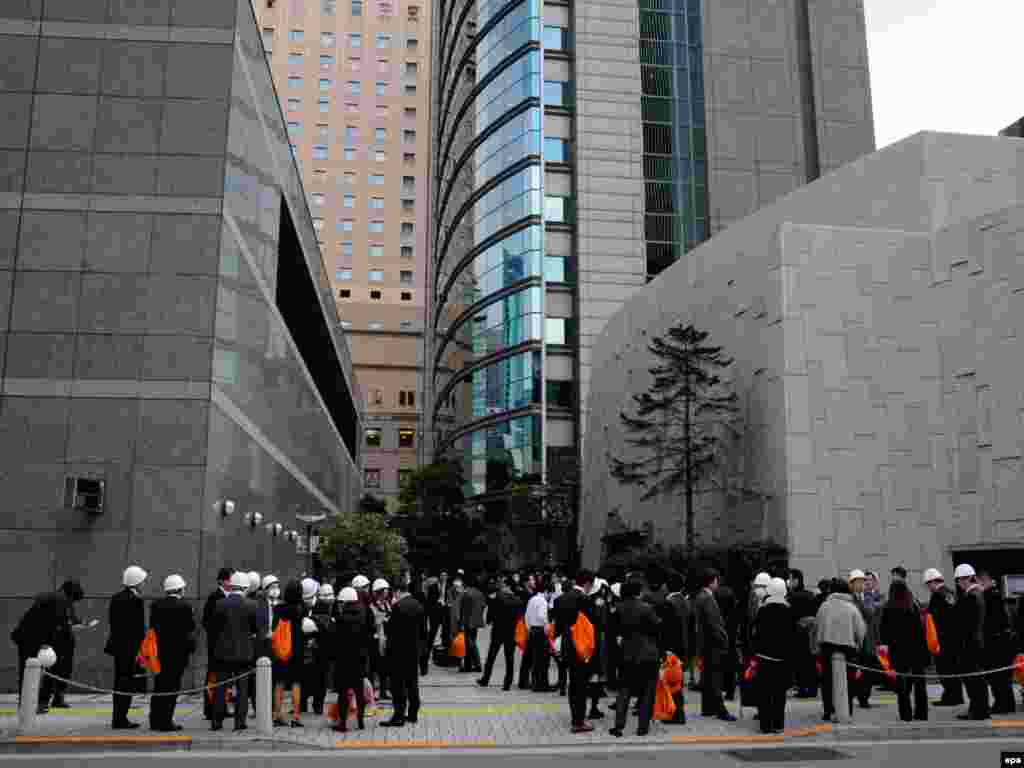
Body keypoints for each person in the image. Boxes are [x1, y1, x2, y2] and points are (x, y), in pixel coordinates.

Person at [608, 579, 661, 737]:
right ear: (638, 592)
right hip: (648, 654)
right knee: (647, 691)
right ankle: (642, 728)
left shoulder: (617, 609)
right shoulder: (647, 608)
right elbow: (657, 628)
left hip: (627, 654)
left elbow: (613, 631)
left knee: (624, 691)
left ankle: (618, 726)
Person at [208, 571, 259, 731]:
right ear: (244, 588)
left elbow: (214, 628)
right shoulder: (252, 605)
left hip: (222, 653)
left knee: (220, 687)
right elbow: (255, 629)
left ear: (231, 586)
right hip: (244, 653)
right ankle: (239, 723)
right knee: (242, 689)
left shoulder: (220, 604)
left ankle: (216, 722)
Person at [11, 583, 72, 714]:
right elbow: (41, 628)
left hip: (28, 640)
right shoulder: (54, 606)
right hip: (28, 641)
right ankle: (27, 705)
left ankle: (29, 704)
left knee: (29, 672)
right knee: (27, 672)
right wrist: (44, 643)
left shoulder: (47, 605)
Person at [814, 578, 866, 722]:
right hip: (848, 650)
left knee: (827, 681)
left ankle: (828, 710)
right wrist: (858, 645)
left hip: (827, 649)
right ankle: (846, 709)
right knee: (848, 682)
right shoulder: (852, 608)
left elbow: (816, 627)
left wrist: (816, 647)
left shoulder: (824, 606)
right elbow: (861, 631)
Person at [148, 574, 196, 732]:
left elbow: (153, 628)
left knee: (160, 686)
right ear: (180, 589)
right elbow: (190, 629)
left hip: (160, 652)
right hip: (178, 654)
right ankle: (166, 721)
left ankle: (155, 719)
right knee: (172, 687)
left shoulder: (156, 605)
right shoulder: (185, 606)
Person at [554, 569, 597, 734]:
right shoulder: (585, 600)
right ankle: (579, 721)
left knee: (573, 683)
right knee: (581, 685)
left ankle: (575, 717)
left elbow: (557, 626)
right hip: (582, 647)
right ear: (587, 583)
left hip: (566, 646)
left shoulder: (560, 600)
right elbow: (592, 626)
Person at [105, 565, 148, 729]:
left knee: (119, 682)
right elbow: (137, 628)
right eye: (142, 581)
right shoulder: (136, 600)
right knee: (127, 683)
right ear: (137, 582)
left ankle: (118, 716)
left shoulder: (116, 598)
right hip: (131, 649)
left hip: (118, 647)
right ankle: (121, 718)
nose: (144, 583)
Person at [879, 580, 928, 722]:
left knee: (902, 685)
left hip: (898, 651)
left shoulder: (889, 607)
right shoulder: (912, 605)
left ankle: (905, 713)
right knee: (919, 684)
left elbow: (884, 631)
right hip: (916, 650)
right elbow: (920, 629)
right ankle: (921, 713)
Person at [380, 579, 426, 727]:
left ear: (398, 592)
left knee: (398, 684)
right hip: (414, 650)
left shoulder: (398, 607)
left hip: (398, 651)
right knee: (412, 682)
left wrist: (386, 623)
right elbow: (424, 631)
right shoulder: (419, 605)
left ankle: (398, 716)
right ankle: (413, 714)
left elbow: (392, 631)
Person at [752, 577, 794, 734]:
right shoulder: (789, 610)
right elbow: (792, 637)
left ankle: (765, 725)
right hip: (782, 660)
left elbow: (755, 633)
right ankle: (778, 724)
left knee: (765, 692)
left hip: (764, 658)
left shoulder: (763, 610)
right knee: (779, 693)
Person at [693, 568, 735, 721]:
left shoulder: (699, 597)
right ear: (712, 581)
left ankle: (708, 708)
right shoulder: (708, 599)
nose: (718, 583)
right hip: (713, 644)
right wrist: (724, 640)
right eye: (717, 580)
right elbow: (715, 624)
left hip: (705, 644)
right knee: (715, 677)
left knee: (708, 676)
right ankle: (720, 710)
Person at [922, 568, 963, 707]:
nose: (928, 588)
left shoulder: (937, 596)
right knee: (954, 669)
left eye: (928, 584)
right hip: (955, 639)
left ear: (933, 582)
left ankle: (950, 696)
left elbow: (936, 620)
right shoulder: (950, 593)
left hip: (942, 639)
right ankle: (957, 696)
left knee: (944, 669)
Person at [332, 587, 371, 732]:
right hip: (359, 659)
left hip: (343, 660)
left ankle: (343, 723)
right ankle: (361, 721)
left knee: (343, 693)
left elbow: (335, 640)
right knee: (359, 692)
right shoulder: (363, 615)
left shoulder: (341, 619)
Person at [953, 564, 988, 720]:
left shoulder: (971, 596)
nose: (959, 584)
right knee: (977, 679)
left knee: (973, 680)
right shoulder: (978, 594)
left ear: (964, 579)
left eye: (959, 580)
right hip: (976, 642)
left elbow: (964, 624)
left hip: (969, 644)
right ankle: (980, 709)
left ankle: (978, 710)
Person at [977, 570, 1016, 714]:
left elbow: (988, 622)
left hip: (996, 644)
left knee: (997, 678)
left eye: (979, 583)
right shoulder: (996, 594)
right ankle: (1006, 703)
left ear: (984, 581)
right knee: (1003, 678)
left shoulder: (989, 596)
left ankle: (1002, 704)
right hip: (1003, 642)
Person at [273, 579, 309, 727]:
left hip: (282, 649)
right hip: (297, 649)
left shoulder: (278, 608)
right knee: (296, 682)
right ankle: (295, 717)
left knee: (279, 682)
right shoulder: (302, 608)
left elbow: (274, 627)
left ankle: (277, 715)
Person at [656, 571, 688, 725]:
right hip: (684, 648)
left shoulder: (668, 603)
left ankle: (674, 714)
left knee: (670, 682)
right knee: (678, 682)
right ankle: (678, 713)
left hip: (670, 649)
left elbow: (664, 629)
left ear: (667, 586)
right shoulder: (686, 602)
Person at [478, 577, 521, 690]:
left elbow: (491, 612)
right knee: (509, 658)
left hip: (498, 631)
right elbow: (520, 618)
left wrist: (489, 620)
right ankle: (507, 683)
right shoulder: (518, 601)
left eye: (503, 585)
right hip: (511, 632)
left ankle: (485, 679)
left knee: (491, 656)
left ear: (507, 586)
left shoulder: (498, 598)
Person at [202, 567, 233, 720]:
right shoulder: (214, 597)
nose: (232, 582)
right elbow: (206, 622)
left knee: (226, 677)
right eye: (230, 579)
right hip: (216, 644)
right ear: (222, 580)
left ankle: (222, 707)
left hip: (229, 644)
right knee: (213, 676)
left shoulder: (232, 596)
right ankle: (210, 709)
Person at [50, 580, 86, 709]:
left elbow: (71, 619)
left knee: (64, 671)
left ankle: (58, 698)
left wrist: (80, 622)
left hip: (66, 642)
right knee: (55, 670)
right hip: (58, 642)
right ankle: (50, 698)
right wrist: (71, 625)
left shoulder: (67, 603)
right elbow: (59, 623)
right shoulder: (58, 602)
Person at [787, 569, 818, 698]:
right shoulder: (811, 595)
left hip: (798, 635)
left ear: (796, 580)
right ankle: (812, 688)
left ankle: (803, 688)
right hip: (811, 634)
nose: (788, 582)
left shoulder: (792, 597)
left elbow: (789, 617)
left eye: (790, 579)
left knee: (800, 662)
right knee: (811, 662)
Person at [847, 570, 876, 709]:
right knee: (853, 670)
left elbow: (871, 614)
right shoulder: (848, 598)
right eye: (858, 581)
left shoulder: (869, 596)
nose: (861, 584)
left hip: (867, 639)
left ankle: (864, 698)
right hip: (854, 639)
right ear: (851, 584)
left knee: (867, 671)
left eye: (862, 581)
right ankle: (851, 697)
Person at [307, 583, 336, 715]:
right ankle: (318, 706)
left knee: (309, 678)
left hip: (313, 653)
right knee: (322, 681)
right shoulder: (330, 621)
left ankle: (303, 704)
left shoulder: (312, 619)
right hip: (326, 653)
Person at [524, 577, 551, 692]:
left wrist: (529, 627)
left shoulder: (532, 599)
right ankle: (542, 685)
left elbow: (526, 616)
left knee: (535, 660)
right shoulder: (543, 602)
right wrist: (547, 626)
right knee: (543, 660)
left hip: (532, 631)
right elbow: (542, 616)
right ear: (546, 591)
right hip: (540, 631)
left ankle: (535, 684)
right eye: (549, 593)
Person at [458, 576, 487, 674]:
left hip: (468, 621)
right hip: (477, 621)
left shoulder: (466, 594)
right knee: (471, 642)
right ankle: (469, 665)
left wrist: (461, 623)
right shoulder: (480, 593)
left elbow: (463, 610)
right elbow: (483, 606)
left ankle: (476, 665)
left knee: (470, 643)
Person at [369, 578, 392, 699]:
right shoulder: (371, 606)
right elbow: (370, 623)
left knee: (385, 666)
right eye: (385, 590)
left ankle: (384, 690)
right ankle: (375, 691)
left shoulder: (388, 604)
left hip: (386, 639)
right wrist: (378, 622)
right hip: (376, 639)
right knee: (375, 666)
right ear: (378, 592)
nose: (387, 592)